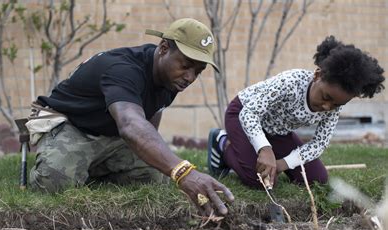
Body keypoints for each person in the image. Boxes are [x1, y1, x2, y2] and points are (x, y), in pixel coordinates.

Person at [26, 18, 234, 216]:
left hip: (111, 133)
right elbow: (130, 125)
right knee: (55, 183)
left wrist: (161, 163)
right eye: (186, 65)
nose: (190, 77)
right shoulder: (123, 70)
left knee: (156, 176)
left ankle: (89, 168)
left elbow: (147, 127)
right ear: (163, 49)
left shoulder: (170, 79)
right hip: (71, 125)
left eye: (198, 71)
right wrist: (184, 172)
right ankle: (65, 163)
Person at [208, 36, 385, 189]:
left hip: (277, 132)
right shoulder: (290, 82)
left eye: (336, 104)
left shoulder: (333, 106)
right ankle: (222, 142)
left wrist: (281, 164)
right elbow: (250, 113)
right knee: (258, 180)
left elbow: (319, 144)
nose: (327, 107)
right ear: (317, 76)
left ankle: (261, 149)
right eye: (326, 97)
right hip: (243, 115)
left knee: (317, 179)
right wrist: (264, 148)